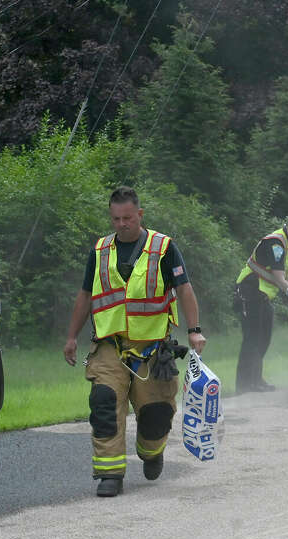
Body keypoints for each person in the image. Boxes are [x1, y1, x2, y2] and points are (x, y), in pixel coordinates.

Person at [62, 186, 207, 497]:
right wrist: (71, 337)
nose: (121, 224)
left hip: (152, 349)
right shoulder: (100, 251)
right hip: (108, 346)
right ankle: (110, 474)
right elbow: (85, 295)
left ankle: (151, 452)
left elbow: (184, 289)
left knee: (156, 413)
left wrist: (194, 329)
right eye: (115, 218)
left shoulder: (164, 248)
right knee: (104, 404)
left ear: (139, 215)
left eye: (127, 218)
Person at [234, 209, 288, 393]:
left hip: (263, 295)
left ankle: (256, 379)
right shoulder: (276, 242)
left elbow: (287, 274)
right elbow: (279, 278)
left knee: (264, 338)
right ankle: (244, 385)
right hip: (250, 290)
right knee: (252, 338)